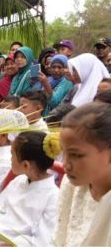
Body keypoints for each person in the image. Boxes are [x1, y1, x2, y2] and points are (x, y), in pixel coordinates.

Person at [55, 102, 111, 246]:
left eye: (76, 155)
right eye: (64, 153)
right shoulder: (71, 184)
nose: (66, 164)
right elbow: (60, 238)